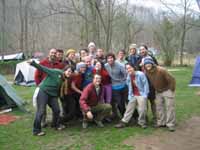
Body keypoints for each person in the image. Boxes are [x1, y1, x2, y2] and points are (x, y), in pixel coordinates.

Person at [28, 59, 66, 136]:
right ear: (64, 70)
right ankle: (36, 130)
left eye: (71, 72)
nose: (69, 73)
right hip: (43, 91)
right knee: (41, 111)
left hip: (53, 95)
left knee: (57, 110)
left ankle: (55, 125)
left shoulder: (65, 79)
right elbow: (43, 68)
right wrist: (33, 63)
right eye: (68, 71)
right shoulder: (56, 72)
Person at [34, 48, 65, 127]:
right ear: (49, 53)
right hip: (44, 88)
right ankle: (42, 122)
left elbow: (62, 76)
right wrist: (39, 86)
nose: (53, 54)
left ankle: (54, 123)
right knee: (42, 109)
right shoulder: (43, 63)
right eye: (52, 53)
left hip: (53, 90)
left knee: (56, 109)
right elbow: (37, 76)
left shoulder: (59, 65)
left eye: (55, 53)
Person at [144, 58, 176, 132]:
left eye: (149, 63)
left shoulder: (161, 70)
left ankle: (170, 124)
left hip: (167, 89)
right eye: (146, 64)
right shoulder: (147, 72)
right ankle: (161, 122)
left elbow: (172, 79)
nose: (147, 65)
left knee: (169, 107)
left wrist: (171, 90)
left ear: (152, 63)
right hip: (158, 91)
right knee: (159, 107)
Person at [115, 63, 149, 128]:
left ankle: (141, 122)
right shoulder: (128, 76)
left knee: (142, 109)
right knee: (129, 108)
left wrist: (145, 95)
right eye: (127, 68)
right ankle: (124, 122)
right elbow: (128, 85)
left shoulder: (140, 74)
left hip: (141, 94)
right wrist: (130, 95)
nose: (128, 69)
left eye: (130, 68)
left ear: (134, 68)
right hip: (133, 95)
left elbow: (146, 85)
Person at [104, 53, 127, 119]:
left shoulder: (120, 65)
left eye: (111, 58)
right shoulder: (106, 66)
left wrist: (125, 83)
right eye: (108, 58)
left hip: (123, 86)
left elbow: (126, 75)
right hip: (114, 87)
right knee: (119, 103)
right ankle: (124, 116)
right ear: (106, 60)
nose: (110, 59)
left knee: (128, 102)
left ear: (114, 59)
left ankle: (135, 116)